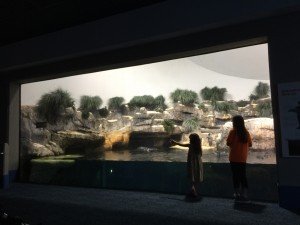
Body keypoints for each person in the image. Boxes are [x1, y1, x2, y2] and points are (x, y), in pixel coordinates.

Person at [226, 115, 252, 202]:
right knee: (243, 176)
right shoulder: (246, 132)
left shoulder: (233, 132)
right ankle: (245, 194)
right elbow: (250, 144)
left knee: (235, 176)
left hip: (233, 157)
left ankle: (236, 193)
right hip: (242, 158)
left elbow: (228, 143)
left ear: (234, 122)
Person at [170, 133, 203, 198]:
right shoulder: (199, 146)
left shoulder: (191, 145)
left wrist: (175, 143)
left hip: (192, 163)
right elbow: (201, 155)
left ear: (192, 140)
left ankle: (193, 191)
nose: (189, 140)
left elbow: (182, 145)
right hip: (198, 163)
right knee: (196, 176)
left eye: (190, 139)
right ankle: (194, 191)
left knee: (192, 176)